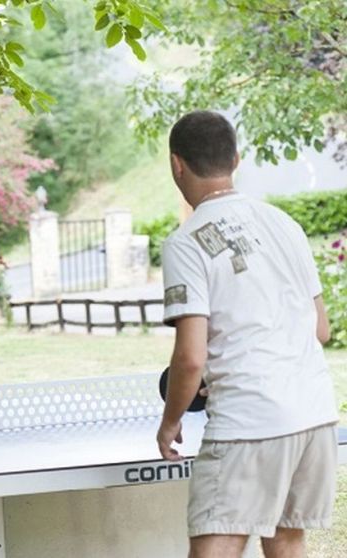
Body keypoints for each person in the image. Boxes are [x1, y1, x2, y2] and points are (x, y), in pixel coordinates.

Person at [157, 110, 338, 558]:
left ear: (176, 164)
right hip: (313, 417)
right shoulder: (286, 225)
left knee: (217, 547)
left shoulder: (186, 242)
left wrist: (170, 421)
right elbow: (321, 329)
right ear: (236, 159)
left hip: (248, 422)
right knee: (288, 543)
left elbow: (191, 358)